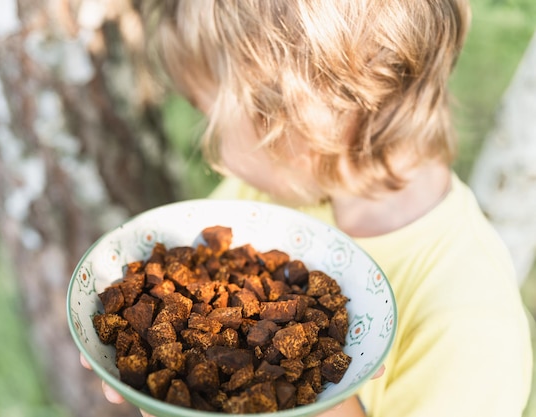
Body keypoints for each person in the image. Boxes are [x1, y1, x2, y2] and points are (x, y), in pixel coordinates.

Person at [82, 1, 534, 415]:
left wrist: (317, 400)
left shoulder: (471, 327)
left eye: (211, 114)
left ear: (292, 119)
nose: (213, 150)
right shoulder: (263, 194)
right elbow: (197, 264)